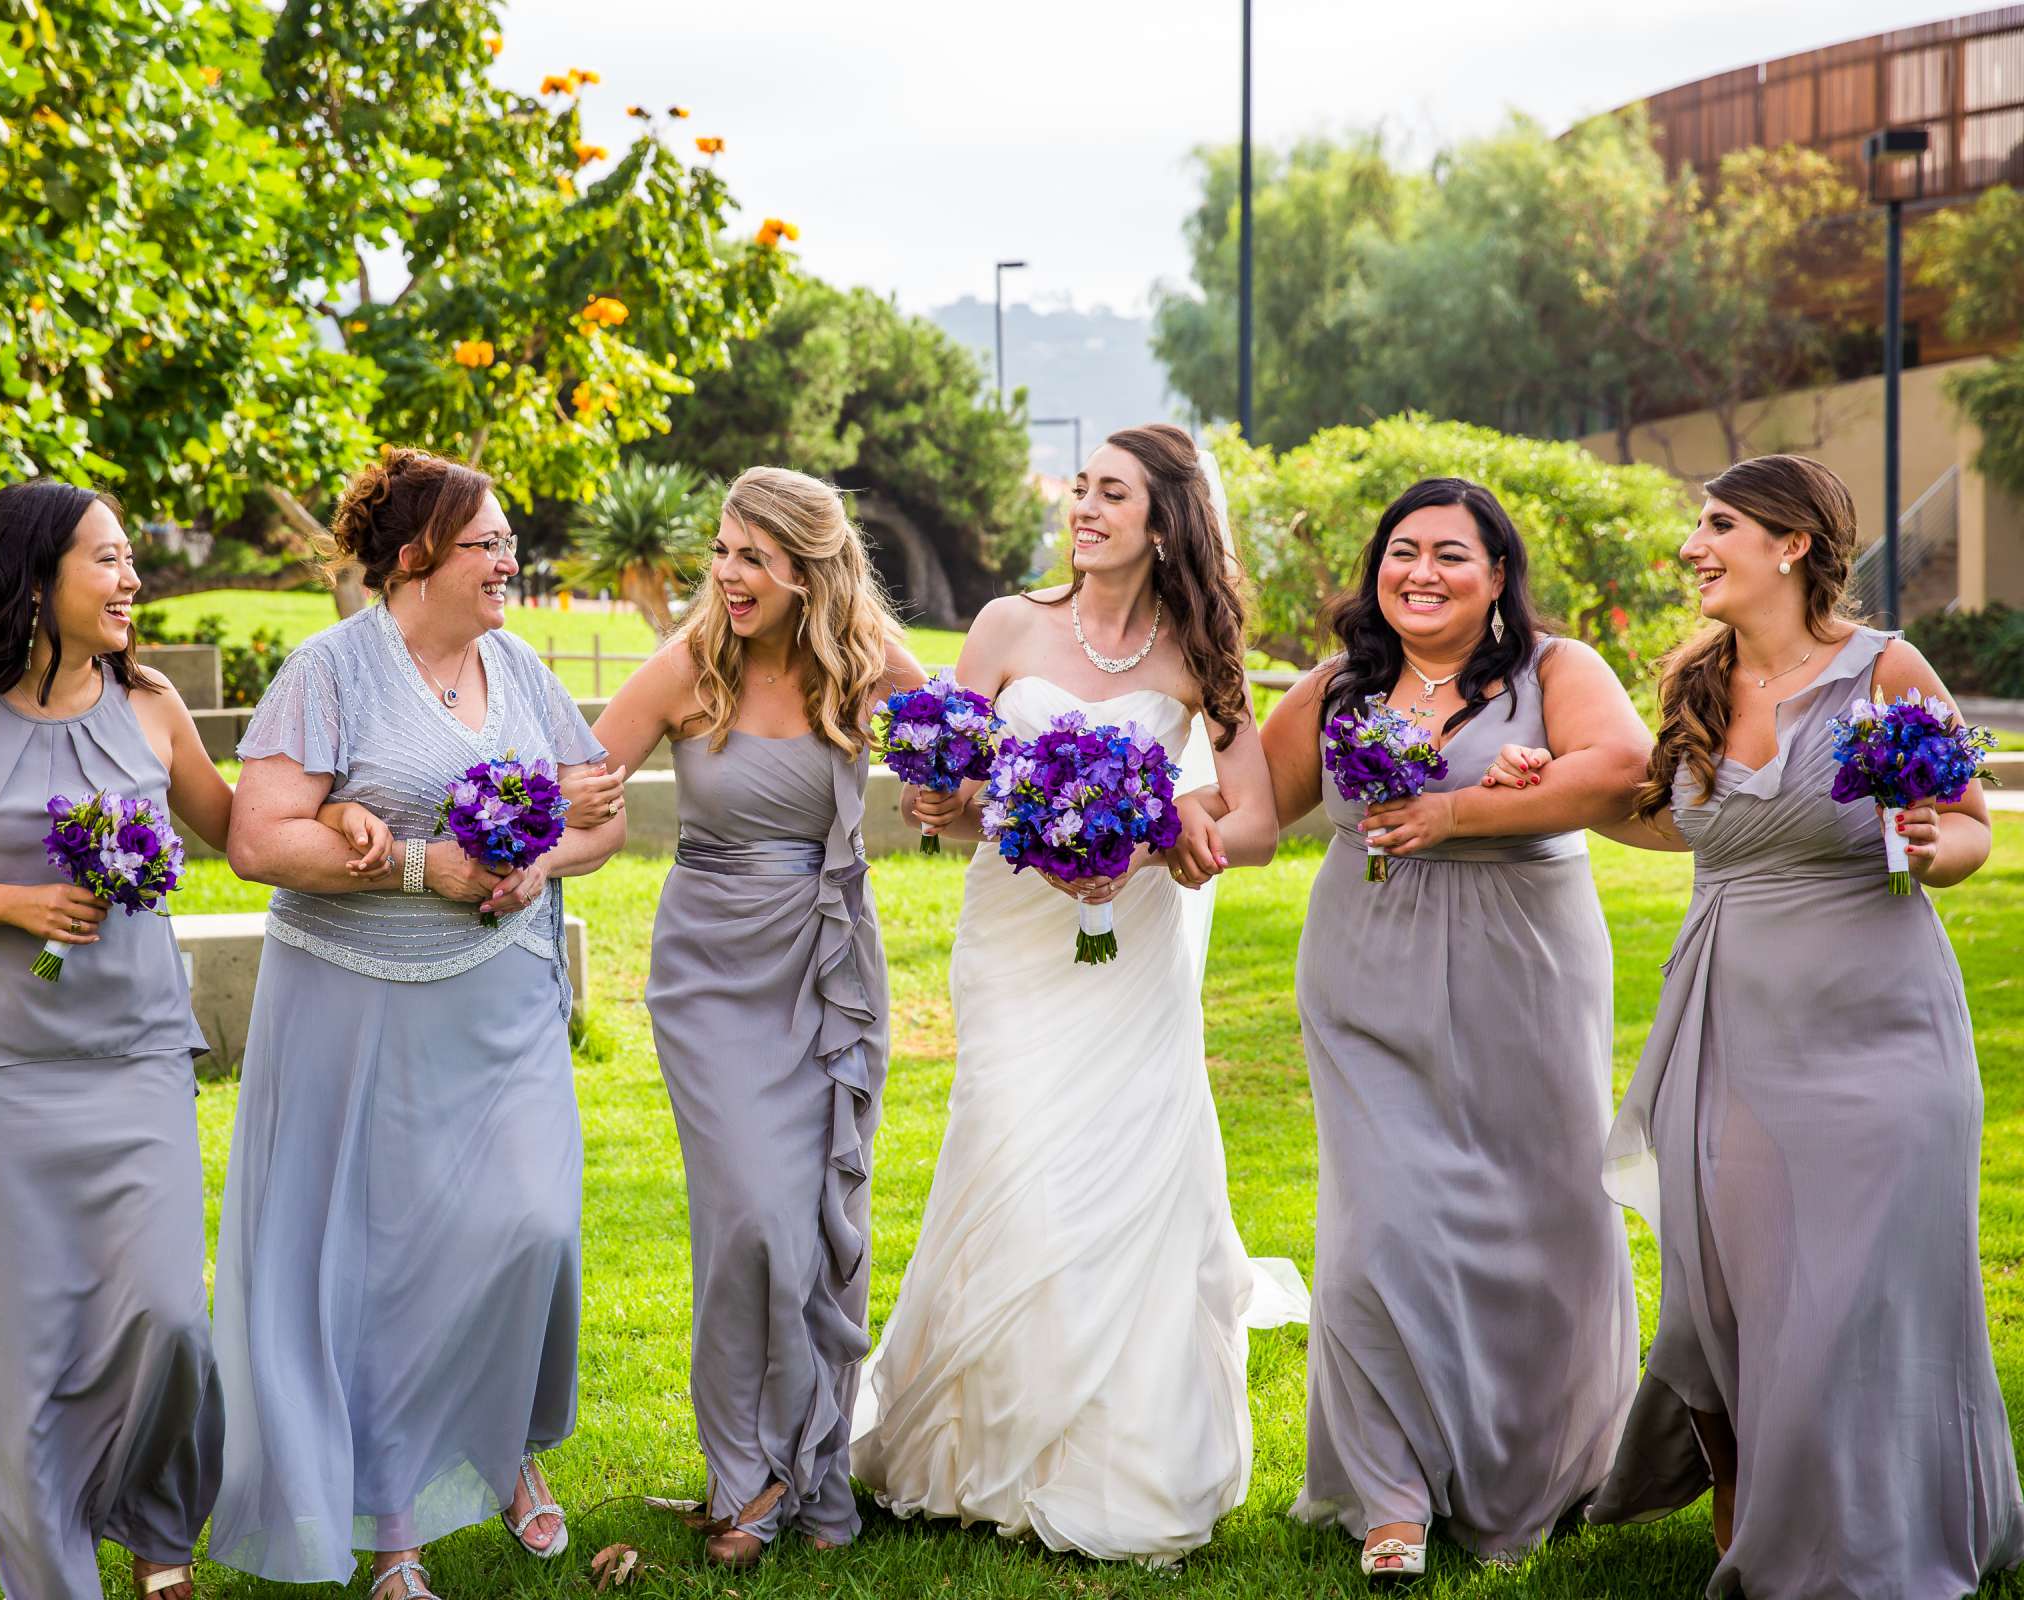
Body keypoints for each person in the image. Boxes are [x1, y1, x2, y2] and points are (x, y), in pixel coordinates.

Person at [1488, 454, 2022, 1598]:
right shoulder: (1694, 679)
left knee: (1861, 1290)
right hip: (1730, 1021)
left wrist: (1939, 847)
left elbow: (1974, 825)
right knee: (1728, 1289)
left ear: (1790, 544)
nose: (1694, 547)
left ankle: (1878, 1524)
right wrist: (1554, 776)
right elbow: (1683, 827)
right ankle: (1746, 1516)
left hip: (1882, 1029)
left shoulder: (1888, 670)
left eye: (1717, 524)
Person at [0, 479, 369, 1600]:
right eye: (107, 558)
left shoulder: (148, 703)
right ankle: (58, 1580)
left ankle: (156, 1525)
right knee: (28, 1359)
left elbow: (240, 829)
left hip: (139, 1048)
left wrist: (333, 813)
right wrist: (16, 907)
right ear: (35, 574)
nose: (132, 579)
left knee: (170, 1320)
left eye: (130, 558)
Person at [849, 424, 1307, 1564]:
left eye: (1114, 493)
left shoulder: (1202, 647)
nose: (1086, 507)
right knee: (1008, 1146)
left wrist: (1148, 844)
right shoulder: (1007, 625)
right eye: (1081, 488)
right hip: (1011, 940)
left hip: (1133, 946)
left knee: (1123, 1170)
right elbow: (943, 782)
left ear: (1166, 520)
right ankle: (974, 1443)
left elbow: (1249, 820)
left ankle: (1109, 1452)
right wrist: (941, 804)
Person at [207, 447, 626, 1600]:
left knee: (531, 1227)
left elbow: (601, 816)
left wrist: (539, 862)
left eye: (506, 541)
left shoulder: (520, 665)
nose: (508, 558)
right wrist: (414, 872)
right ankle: (393, 1529)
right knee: (383, 1266)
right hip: (357, 1000)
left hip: (504, 996)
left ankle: (506, 1450)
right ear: (415, 556)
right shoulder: (330, 670)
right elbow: (258, 841)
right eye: (487, 540)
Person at [1256, 477, 1646, 1579]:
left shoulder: (1559, 672)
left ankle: (1539, 1465)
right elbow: (1249, 809)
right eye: (1400, 551)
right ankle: (1391, 1493)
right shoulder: (1337, 686)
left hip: (1526, 970)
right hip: (1365, 975)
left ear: (1499, 577)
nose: (1419, 572)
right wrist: (1109, 817)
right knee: (1379, 1228)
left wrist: (1465, 807)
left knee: (1543, 1218)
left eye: (1450, 555)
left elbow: (1620, 769)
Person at [591, 466, 926, 1564]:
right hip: (708, 973)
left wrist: (957, 794)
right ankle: (747, 1470)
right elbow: (577, 788)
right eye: (723, 552)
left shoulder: (870, 665)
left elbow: (961, 782)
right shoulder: (691, 665)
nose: (729, 575)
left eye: (753, 557)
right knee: (747, 1221)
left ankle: (801, 1468)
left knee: (812, 1216)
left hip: (825, 966)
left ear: (807, 568)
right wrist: (491, 856)